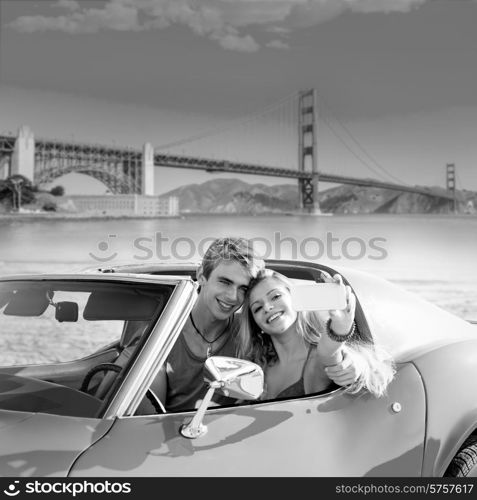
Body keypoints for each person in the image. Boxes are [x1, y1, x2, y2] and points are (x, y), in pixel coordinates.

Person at [150, 237, 362, 412]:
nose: (233, 296)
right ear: (200, 276)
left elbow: (328, 353)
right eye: (224, 282)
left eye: (243, 288)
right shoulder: (161, 327)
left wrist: (350, 355)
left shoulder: (247, 340)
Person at [237, 269, 395, 399]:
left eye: (276, 296)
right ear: (256, 324)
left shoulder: (316, 360)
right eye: (257, 308)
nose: (267, 307)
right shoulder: (258, 368)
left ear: (296, 299)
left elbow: (328, 352)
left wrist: (340, 326)